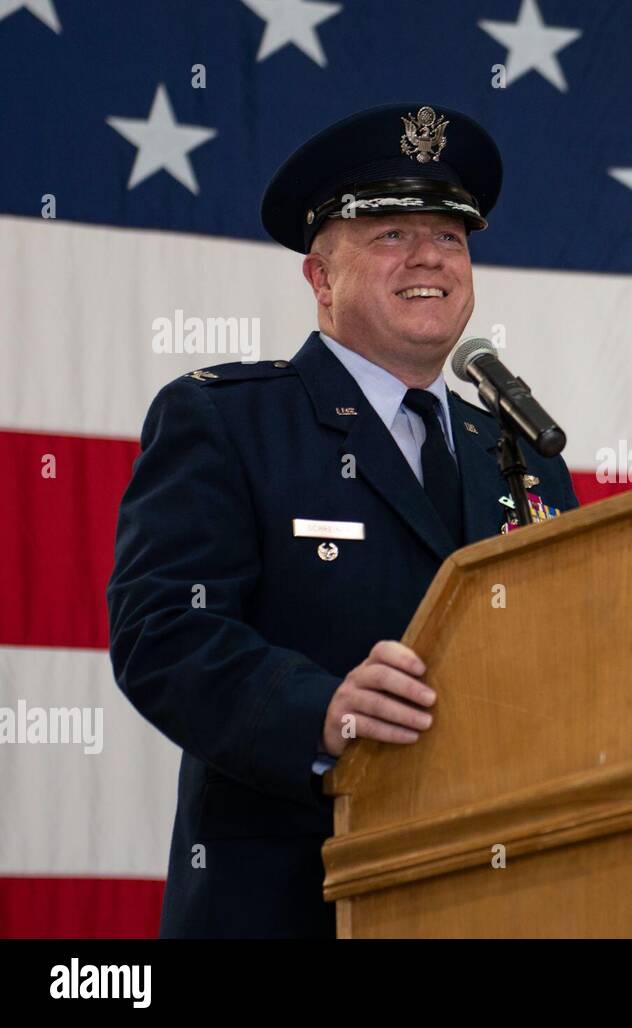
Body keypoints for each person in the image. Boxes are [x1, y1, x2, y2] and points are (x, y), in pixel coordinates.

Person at [106, 103, 579, 938]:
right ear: (321, 279)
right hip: (288, 900)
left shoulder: (521, 454)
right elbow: (164, 632)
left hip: (493, 896)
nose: (429, 255)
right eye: (391, 234)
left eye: (450, 236)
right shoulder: (226, 423)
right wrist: (319, 712)